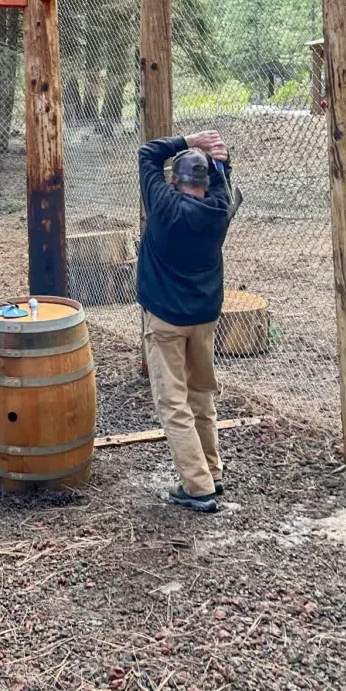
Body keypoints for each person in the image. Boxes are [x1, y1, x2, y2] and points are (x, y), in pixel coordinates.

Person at [137, 131, 237, 514]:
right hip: (204, 318)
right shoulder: (219, 209)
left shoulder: (162, 204)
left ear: (175, 180)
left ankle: (197, 487)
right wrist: (221, 161)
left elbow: (147, 154)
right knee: (200, 395)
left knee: (173, 402)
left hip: (165, 319)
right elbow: (221, 182)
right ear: (207, 181)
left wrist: (187, 139)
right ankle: (212, 471)